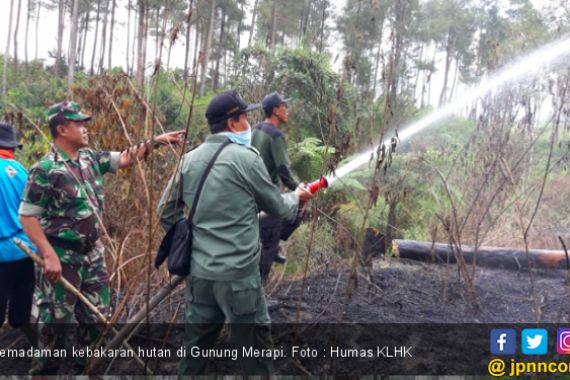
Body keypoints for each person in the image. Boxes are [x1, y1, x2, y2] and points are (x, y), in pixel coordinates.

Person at [18, 101, 185, 375]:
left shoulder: (89, 159)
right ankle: (44, 373)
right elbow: (27, 216)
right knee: (55, 326)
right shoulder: (45, 169)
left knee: (97, 322)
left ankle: (88, 371)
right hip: (62, 257)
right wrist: (48, 254)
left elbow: (127, 157)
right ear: (62, 128)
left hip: (93, 255)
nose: (85, 128)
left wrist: (158, 141)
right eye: (78, 123)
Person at [158, 90, 313, 375]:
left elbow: (165, 212)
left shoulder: (189, 160)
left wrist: (194, 244)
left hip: (200, 277)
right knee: (255, 358)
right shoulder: (246, 158)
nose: (248, 126)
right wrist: (297, 197)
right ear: (232, 123)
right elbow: (277, 205)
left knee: (193, 358)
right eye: (245, 119)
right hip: (239, 279)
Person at [251, 92, 300, 284]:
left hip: (251, 199)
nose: (286, 110)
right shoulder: (276, 135)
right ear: (275, 110)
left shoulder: (255, 129)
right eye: (283, 106)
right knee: (295, 214)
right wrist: (299, 190)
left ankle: (276, 247)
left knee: (257, 249)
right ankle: (258, 302)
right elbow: (283, 171)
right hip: (268, 201)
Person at [0, 122, 36, 343]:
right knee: (20, 316)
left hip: (2, 254)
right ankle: (45, 358)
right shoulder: (23, 171)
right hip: (26, 251)